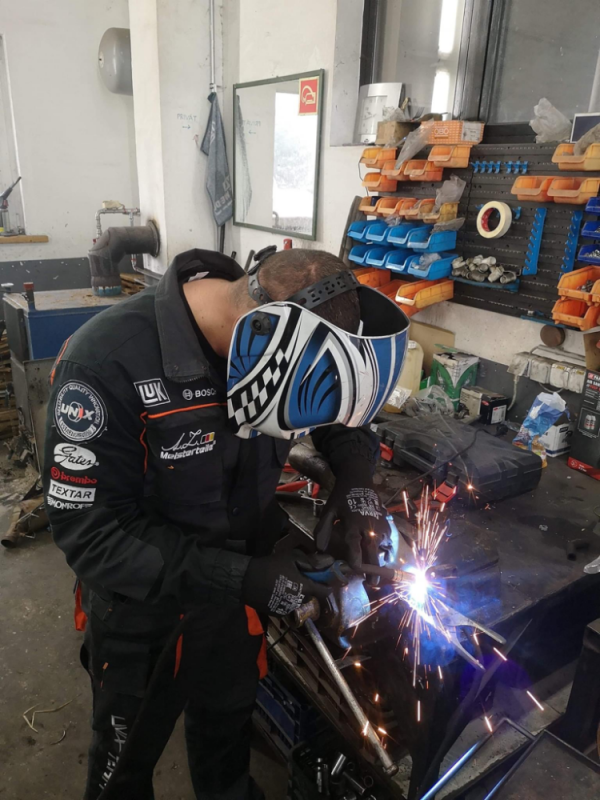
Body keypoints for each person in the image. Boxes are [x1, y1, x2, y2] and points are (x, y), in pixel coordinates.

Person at [43, 246, 409, 800]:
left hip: (235, 599)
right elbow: (90, 533)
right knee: (123, 770)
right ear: (259, 341)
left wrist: (355, 482)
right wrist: (243, 577)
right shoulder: (105, 361)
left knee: (225, 744)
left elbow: (338, 406)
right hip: (141, 612)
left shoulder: (285, 350)